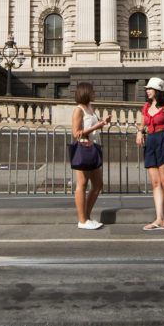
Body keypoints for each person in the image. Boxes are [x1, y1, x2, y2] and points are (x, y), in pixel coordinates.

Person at [135, 77, 164, 230]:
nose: (147, 91)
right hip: (151, 142)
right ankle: (159, 218)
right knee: (155, 183)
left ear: (157, 90)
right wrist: (139, 132)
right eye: (147, 89)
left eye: (150, 89)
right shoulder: (146, 106)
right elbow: (142, 124)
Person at [71, 82, 111, 230]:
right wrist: (97, 126)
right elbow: (77, 133)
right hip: (84, 149)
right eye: (92, 91)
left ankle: (86, 216)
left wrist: (102, 122)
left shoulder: (90, 108)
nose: (94, 93)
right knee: (81, 184)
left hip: (93, 148)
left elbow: (92, 127)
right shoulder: (78, 110)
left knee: (98, 184)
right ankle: (82, 220)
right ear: (86, 92)